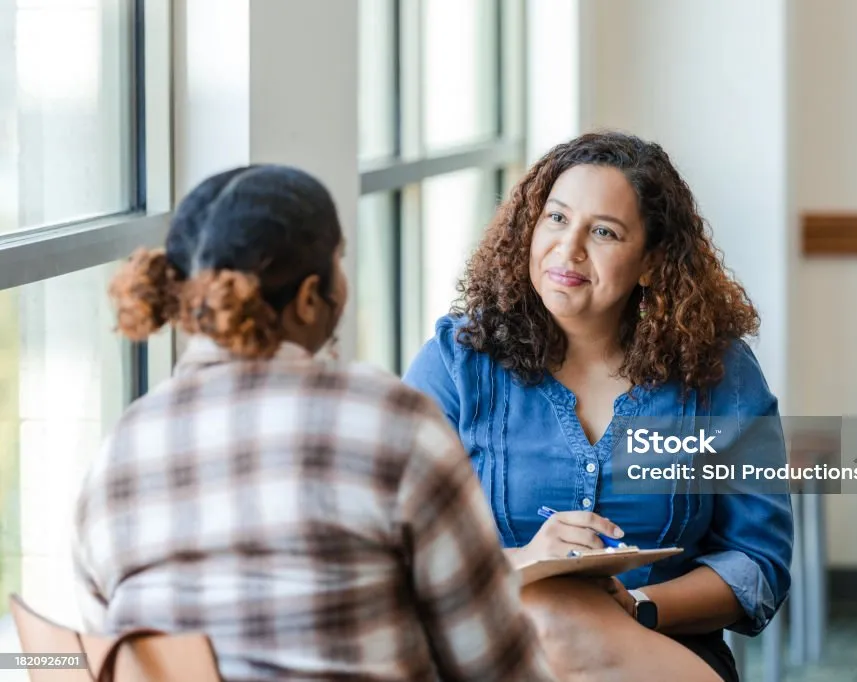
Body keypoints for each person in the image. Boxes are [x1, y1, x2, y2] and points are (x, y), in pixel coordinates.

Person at [72, 164, 559, 682]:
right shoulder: (392, 425)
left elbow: (106, 653)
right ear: (308, 299)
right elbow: (496, 665)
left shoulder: (120, 448)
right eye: (340, 262)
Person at [403, 132, 794, 682]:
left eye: (604, 232)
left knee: (558, 625)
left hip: (656, 651)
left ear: (652, 261)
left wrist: (638, 608)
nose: (569, 249)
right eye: (556, 219)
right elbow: (395, 550)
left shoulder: (719, 374)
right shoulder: (458, 364)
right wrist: (524, 564)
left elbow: (758, 564)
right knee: (547, 616)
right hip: (494, 651)